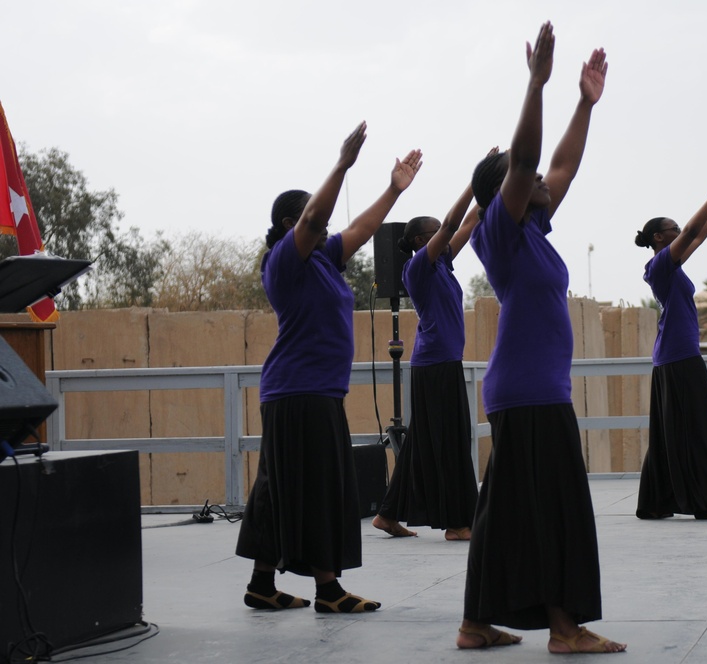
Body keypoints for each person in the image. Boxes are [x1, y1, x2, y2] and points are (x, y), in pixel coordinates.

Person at [457, 22, 626, 655]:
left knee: (504, 515)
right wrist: (536, 85)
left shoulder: (532, 231)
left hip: (526, 391)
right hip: (530, 394)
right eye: (527, 182)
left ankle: (475, 624)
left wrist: (584, 103)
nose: (547, 183)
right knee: (558, 509)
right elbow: (528, 160)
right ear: (508, 193)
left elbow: (559, 164)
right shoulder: (498, 235)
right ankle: (564, 629)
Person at [235, 121, 422, 613]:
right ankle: (328, 591)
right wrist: (341, 165)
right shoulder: (285, 261)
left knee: (277, 490)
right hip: (301, 392)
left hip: (307, 392)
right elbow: (316, 217)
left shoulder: (323, 258)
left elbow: (358, 228)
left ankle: (261, 584)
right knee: (320, 487)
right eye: (308, 223)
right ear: (290, 227)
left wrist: (392, 190)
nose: (320, 227)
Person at [371, 150, 498, 542]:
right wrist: (471, 187)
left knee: (424, 440)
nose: (446, 237)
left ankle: (388, 515)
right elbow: (453, 222)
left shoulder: (442, 263)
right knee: (450, 440)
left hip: (441, 363)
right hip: (434, 365)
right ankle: (459, 523)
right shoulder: (417, 269)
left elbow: (470, 219)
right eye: (437, 234)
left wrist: (488, 184)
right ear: (423, 241)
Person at [634, 161, 707, 522]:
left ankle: (656, 502)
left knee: (675, 433)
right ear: (659, 238)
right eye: (674, 229)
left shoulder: (673, 264)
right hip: (677, 358)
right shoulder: (659, 267)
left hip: (677, 357)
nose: (680, 231)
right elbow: (694, 230)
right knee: (698, 433)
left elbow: (698, 235)